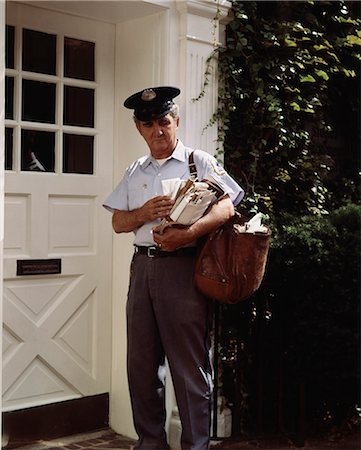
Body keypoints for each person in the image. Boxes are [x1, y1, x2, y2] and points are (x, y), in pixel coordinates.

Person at [103, 86, 244, 450]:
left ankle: (196, 446)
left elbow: (227, 207)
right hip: (143, 271)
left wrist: (190, 234)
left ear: (176, 122)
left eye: (164, 121)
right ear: (139, 128)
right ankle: (150, 444)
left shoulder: (199, 162)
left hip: (183, 270)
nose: (157, 131)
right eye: (148, 124)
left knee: (188, 369)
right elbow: (118, 222)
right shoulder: (135, 170)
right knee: (141, 367)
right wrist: (141, 214)